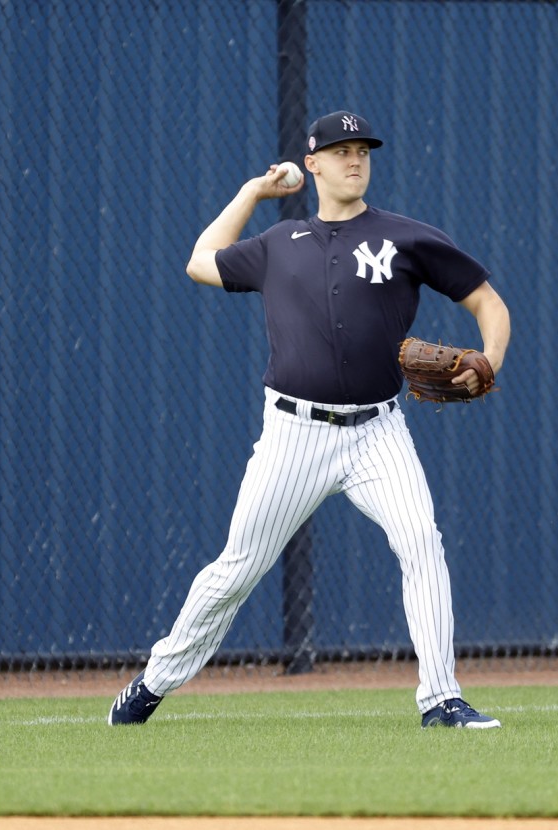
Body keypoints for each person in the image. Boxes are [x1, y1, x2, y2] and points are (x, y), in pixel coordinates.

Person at [108, 111, 512, 729]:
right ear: (314, 162)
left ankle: (440, 698)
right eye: (341, 150)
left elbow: (489, 302)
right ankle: (151, 685)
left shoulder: (406, 238)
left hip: (380, 432)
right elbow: (199, 261)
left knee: (422, 546)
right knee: (236, 572)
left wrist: (489, 358)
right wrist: (253, 192)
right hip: (294, 434)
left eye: (364, 150)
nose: (355, 159)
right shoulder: (277, 245)